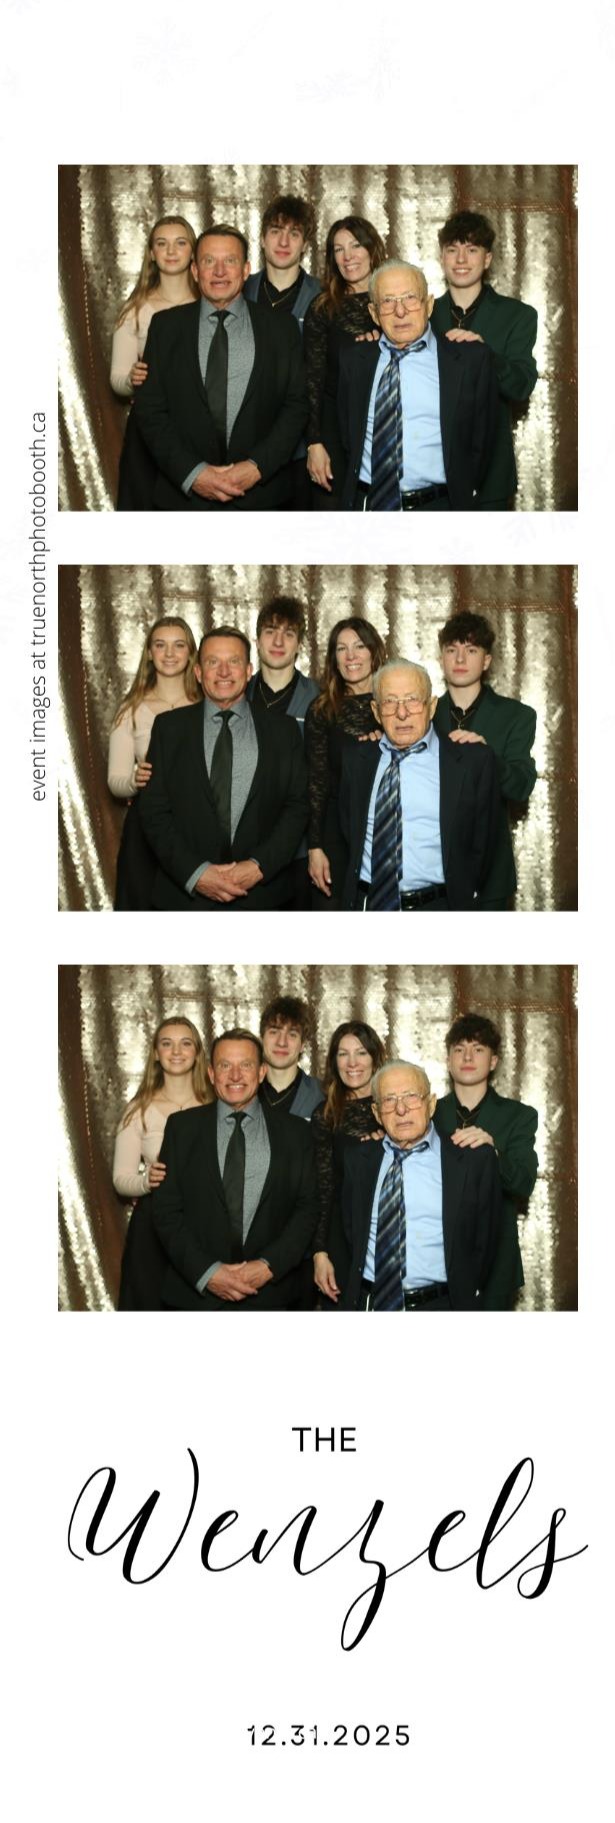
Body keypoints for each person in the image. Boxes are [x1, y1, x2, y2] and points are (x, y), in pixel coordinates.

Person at [133, 224, 308, 511]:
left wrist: (257, 467)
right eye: (208, 261)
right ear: (194, 270)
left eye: (230, 261)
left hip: (263, 501)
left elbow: (296, 405)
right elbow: (151, 410)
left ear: (246, 269)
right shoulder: (165, 327)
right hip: (183, 503)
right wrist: (193, 474)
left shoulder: (281, 328)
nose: (219, 271)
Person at [137, 626, 308, 911]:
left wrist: (258, 866)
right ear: (198, 672)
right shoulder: (169, 729)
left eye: (234, 661)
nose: (224, 671)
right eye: (213, 662)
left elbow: (297, 806)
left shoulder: (284, 731)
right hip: (185, 901)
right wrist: (196, 873)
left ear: (249, 670)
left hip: (263, 900)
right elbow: (154, 811)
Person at [151, 1029, 319, 1310]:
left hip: (272, 1298)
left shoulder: (297, 1133)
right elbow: (166, 1211)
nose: (235, 1075)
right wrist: (208, 1273)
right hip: (195, 1299)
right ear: (211, 1074)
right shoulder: (181, 1129)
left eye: (246, 1065)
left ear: (262, 1072)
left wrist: (268, 1266)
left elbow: (308, 1208)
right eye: (225, 1065)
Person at [340, 1058, 502, 1310]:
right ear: (376, 1113)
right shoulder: (358, 1160)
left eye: (411, 1097)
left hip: (440, 1306)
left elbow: (485, 1244)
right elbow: (350, 1233)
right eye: (389, 1100)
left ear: (431, 1104)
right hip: (369, 1303)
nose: (401, 1109)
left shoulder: (472, 1160)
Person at [337, 259, 499, 510]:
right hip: (367, 504)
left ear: (429, 305)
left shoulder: (470, 361)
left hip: (438, 507)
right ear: (374, 313)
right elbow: (347, 437)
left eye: (410, 298)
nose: (400, 311)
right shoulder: (354, 361)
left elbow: (482, 443)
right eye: (388, 301)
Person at [340, 659, 500, 911]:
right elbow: (347, 831)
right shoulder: (356, 760)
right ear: (376, 711)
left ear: (432, 706)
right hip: (366, 903)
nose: (402, 713)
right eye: (390, 701)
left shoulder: (472, 762)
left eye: (412, 700)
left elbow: (485, 848)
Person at [432, 211, 538, 510]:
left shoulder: (517, 315)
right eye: (452, 249)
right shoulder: (423, 315)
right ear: (442, 257)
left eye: (472, 249)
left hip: (490, 474)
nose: (461, 259)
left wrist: (485, 354)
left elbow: (521, 386)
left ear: (487, 259)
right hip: (432, 472)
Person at [434, 1012, 539, 1311]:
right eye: (459, 1049)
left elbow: (523, 1183)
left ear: (493, 1061)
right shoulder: (427, 1114)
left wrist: (492, 1152)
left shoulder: (518, 1116)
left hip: (494, 1265)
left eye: (478, 1049)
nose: (467, 1057)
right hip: (435, 1260)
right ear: (448, 1060)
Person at [434, 610, 537, 909]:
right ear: (441, 658)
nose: (460, 659)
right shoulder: (421, 715)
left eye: (471, 650)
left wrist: (487, 756)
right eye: (451, 650)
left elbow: (520, 787)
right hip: (432, 870)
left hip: (489, 873)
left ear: (487, 661)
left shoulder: (516, 715)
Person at [114, 1016, 211, 1309]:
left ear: (197, 1053)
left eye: (185, 1043)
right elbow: (120, 1179)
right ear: (156, 1053)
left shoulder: (216, 1105)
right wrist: (146, 1181)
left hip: (204, 1226)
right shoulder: (138, 1109)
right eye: (167, 1044)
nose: (176, 1051)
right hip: (152, 1230)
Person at [108, 616, 202, 911]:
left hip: (197, 828)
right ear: (149, 652)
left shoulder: (208, 704)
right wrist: (134, 781)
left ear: (191, 653)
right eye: (160, 645)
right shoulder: (131, 709)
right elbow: (115, 782)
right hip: (146, 829)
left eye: (179, 645)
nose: (170, 653)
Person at [110, 215, 199, 511]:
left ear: (193, 251)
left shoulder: (209, 304)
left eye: (180, 243)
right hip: (148, 432)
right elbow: (117, 380)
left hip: (198, 432)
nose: (171, 251)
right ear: (151, 253)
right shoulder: (135, 310)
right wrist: (131, 379)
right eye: (162, 243)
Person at [303, 216, 386, 509]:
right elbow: (312, 380)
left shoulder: (397, 304)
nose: (347, 256)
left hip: (386, 432)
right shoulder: (323, 308)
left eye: (355, 245)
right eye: (338, 249)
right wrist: (314, 443)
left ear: (372, 249)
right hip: (334, 433)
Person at [244, 193, 321, 508]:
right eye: (276, 231)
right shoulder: (238, 290)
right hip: (245, 444)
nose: (284, 241)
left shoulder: (323, 296)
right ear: (262, 239)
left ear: (305, 245)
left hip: (301, 448)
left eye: (294, 233)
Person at [304, 616, 386, 910]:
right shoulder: (322, 709)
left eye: (359, 646)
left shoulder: (396, 705)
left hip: (386, 830)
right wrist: (315, 847)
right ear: (334, 658)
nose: (351, 656)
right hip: (335, 833)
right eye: (342, 648)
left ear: (374, 652)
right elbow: (316, 782)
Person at [247, 595, 318, 908]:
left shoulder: (319, 699)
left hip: (300, 850)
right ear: (257, 640)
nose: (278, 641)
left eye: (288, 634)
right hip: (245, 849)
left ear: (299, 644)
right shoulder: (236, 695)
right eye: (270, 631)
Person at [312, 1021, 385, 1305]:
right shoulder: (326, 1114)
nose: (352, 1063)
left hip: (390, 1236)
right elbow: (322, 1188)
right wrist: (320, 1253)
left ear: (375, 1058)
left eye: (361, 1053)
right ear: (334, 1061)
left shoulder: (397, 1109)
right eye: (343, 1054)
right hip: (341, 1239)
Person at [259, 994, 324, 1120]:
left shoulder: (322, 1097)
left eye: (292, 1034)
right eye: (274, 1032)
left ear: (302, 1045)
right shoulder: (243, 1092)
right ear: (262, 1038)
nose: (281, 1042)